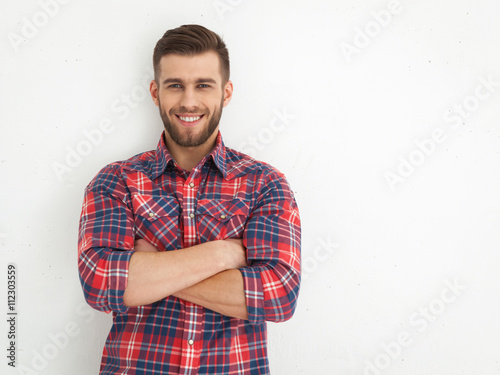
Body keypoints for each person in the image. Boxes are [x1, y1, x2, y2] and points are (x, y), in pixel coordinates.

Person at [78, 24, 301, 375]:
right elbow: (102, 283)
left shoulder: (265, 184)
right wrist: (222, 254)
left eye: (203, 85)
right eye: (175, 86)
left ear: (226, 92)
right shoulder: (116, 181)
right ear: (156, 92)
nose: (189, 101)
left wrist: (150, 270)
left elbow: (278, 296)